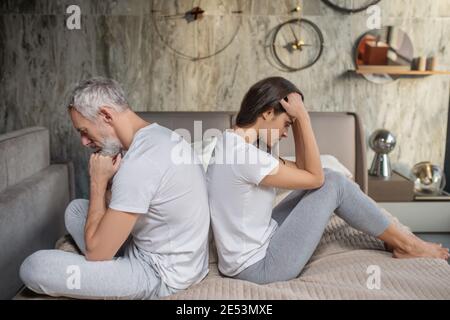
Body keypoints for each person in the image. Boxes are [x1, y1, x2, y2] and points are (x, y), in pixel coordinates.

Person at [206, 76, 449, 285]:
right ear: (268, 112)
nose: (285, 133)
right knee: (335, 184)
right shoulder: (245, 156)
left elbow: (306, 171)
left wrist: (298, 119)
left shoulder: (234, 145)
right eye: (287, 124)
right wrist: (304, 117)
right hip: (259, 269)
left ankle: (396, 239)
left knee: (330, 179)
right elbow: (316, 177)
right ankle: (408, 245)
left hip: (250, 252)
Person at [20, 77, 210, 299]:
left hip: (159, 274)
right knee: (75, 209)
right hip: (185, 258)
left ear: (107, 116)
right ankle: (107, 262)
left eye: (84, 130)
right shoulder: (159, 136)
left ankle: (107, 270)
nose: (83, 141)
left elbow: (96, 254)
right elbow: (122, 201)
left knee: (33, 267)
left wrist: (97, 182)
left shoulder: (140, 163)